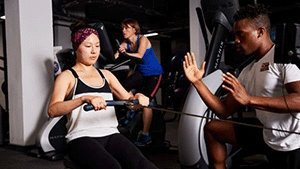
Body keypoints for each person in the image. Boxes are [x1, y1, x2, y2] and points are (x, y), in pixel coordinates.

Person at [183, 4, 300, 169]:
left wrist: (249, 100)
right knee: (212, 128)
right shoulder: (248, 71)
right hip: (267, 134)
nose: (236, 40)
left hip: (294, 143)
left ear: (260, 32)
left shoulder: (283, 58)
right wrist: (197, 82)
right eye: (235, 34)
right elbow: (223, 110)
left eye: (241, 34)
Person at [48, 21, 158, 169]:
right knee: (111, 167)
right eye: (88, 46)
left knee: (142, 164)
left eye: (97, 45)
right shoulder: (68, 76)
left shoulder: (106, 75)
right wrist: (83, 99)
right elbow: (53, 110)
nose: (94, 51)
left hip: (111, 134)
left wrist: (138, 98)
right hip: (81, 137)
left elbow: (130, 103)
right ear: (76, 47)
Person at [114, 18, 164, 147]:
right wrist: (116, 53)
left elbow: (140, 55)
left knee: (147, 102)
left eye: (127, 28)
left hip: (154, 73)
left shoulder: (142, 39)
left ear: (134, 29)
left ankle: (145, 135)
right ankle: (133, 108)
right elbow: (116, 55)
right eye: (123, 28)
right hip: (142, 73)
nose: (123, 30)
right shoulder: (126, 43)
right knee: (123, 87)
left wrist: (125, 54)